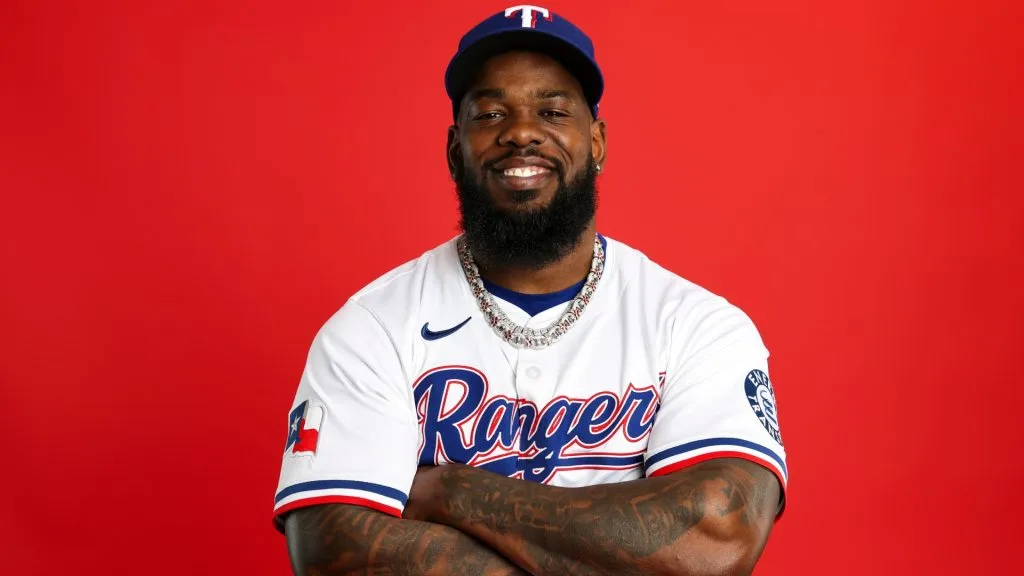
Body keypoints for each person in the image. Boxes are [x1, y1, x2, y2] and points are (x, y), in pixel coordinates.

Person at [273, 5, 788, 575]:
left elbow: (717, 538)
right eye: (491, 113)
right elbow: (334, 554)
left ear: (595, 143)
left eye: (551, 110)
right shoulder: (371, 329)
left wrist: (452, 492)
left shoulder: (695, 325)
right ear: (454, 149)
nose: (520, 132)